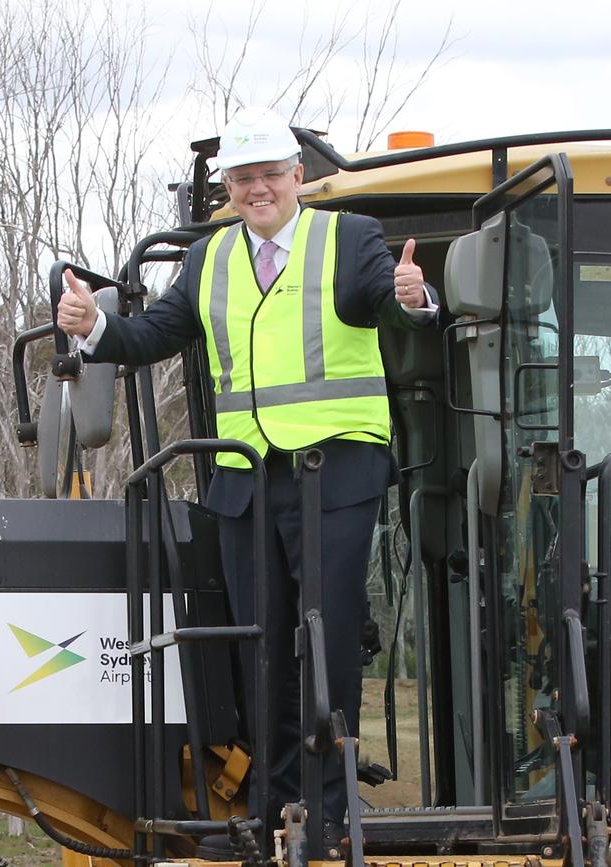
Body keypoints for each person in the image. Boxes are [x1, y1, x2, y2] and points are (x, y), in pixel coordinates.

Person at [57, 106, 438, 859]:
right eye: (243, 177)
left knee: (319, 638)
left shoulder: (348, 239)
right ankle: (273, 804)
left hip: (333, 472)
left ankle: (327, 815)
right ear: (229, 187)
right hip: (245, 480)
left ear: (298, 177)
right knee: (258, 648)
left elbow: (381, 304)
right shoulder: (211, 258)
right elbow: (153, 335)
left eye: (270, 173)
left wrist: (409, 297)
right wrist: (91, 327)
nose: (257, 188)